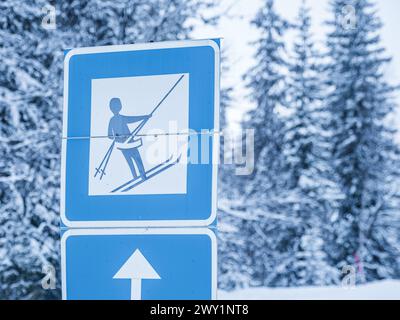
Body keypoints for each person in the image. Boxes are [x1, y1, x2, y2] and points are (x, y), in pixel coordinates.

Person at [107, 97, 150, 180]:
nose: (116, 108)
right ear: (111, 108)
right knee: (131, 162)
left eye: (117, 106)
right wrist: (118, 137)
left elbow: (133, 119)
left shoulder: (122, 118)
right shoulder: (112, 120)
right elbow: (109, 135)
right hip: (123, 145)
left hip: (131, 143)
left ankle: (143, 175)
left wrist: (145, 117)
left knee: (137, 159)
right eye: (114, 106)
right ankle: (135, 177)